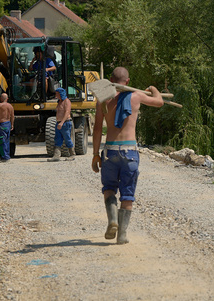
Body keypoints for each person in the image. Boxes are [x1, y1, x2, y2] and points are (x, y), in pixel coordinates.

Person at [92, 67, 164, 244]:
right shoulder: (136, 96)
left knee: (109, 188)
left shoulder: (103, 99)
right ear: (128, 82)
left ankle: (113, 220)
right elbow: (159, 101)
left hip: (110, 151)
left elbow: (97, 128)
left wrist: (95, 154)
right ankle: (122, 235)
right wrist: (153, 88)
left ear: (110, 80)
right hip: (130, 152)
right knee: (128, 194)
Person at [48, 88, 75, 162]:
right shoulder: (59, 102)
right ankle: (56, 155)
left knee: (67, 139)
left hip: (65, 123)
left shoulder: (67, 101)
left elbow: (67, 112)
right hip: (59, 123)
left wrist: (62, 122)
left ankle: (72, 154)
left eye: (57, 93)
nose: (56, 95)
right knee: (57, 139)